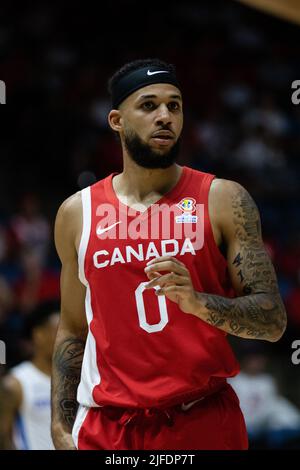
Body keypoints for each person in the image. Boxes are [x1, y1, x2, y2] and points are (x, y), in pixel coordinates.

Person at [51, 58, 287, 450]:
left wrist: (197, 303)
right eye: (148, 105)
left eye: (174, 105)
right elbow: (72, 328)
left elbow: (273, 321)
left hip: (202, 419)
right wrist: (61, 427)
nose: (165, 116)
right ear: (116, 120)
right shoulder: (77, 213)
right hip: (108, 428)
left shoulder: (223, 199)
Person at [0, 300, 60, 450]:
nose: (66, 339)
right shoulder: (16, 383)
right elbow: (3, 437)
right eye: (59, 332)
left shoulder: (76, 380)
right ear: (38, 335)